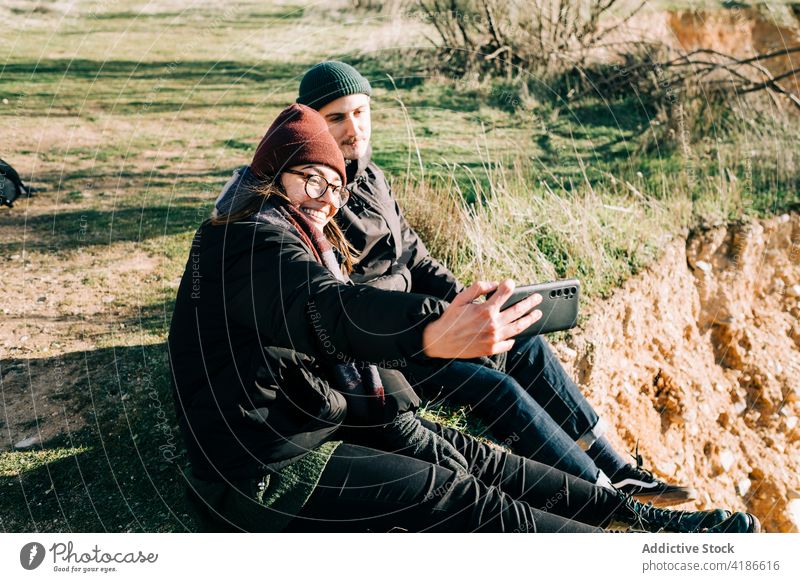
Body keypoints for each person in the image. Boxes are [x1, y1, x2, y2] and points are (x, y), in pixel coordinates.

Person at [170, 103, 758, 532]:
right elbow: (328, 310)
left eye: (336, 186)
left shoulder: (288, 232)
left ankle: (643, 520)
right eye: (312, 179)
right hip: (264, 471)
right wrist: (431, 329)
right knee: (457, 494)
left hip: (315, 419)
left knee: (473, 455)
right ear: (275, 174)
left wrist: (442, 338)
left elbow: (346, 320)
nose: (327, 198)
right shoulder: (249, 242)